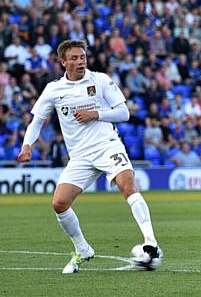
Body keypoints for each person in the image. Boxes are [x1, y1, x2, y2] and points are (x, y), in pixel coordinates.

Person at [16, 40, 160, 274]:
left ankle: (150, 242)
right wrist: (27, 146)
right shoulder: (54, 89)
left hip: (107, 146)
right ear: (63, 62)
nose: (80, 61)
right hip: (80, 156)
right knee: (59, 204)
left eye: (82, 57)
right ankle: (82, 249)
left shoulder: (100, 80)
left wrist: (95, 114)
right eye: (74, 58)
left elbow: (123, 113)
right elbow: (36, 121)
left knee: (127, 185)